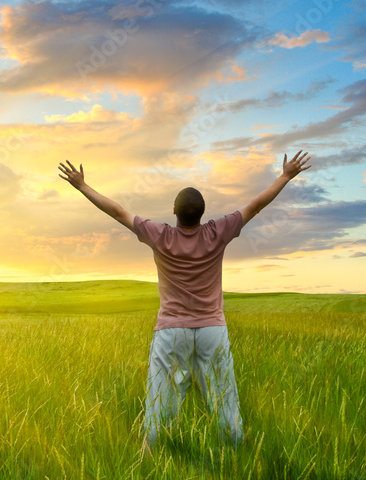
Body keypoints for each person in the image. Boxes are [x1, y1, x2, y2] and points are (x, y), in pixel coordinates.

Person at [57, 150, 312, 452]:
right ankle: (234, 452)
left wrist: (82, 186)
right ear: (202, 214)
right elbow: (255, 206)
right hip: (211, 331)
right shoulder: (219, 232)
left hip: (170, 332)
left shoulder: (159, 235)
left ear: (174, 212)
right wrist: (285, 176)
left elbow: (117, 212)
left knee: (160, 398)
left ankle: (150, 455)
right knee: (223, 397)